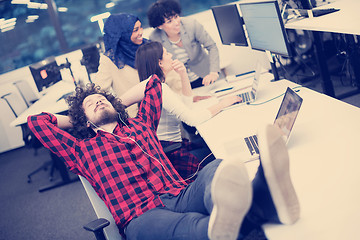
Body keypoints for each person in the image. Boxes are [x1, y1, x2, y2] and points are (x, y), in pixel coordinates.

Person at [28, 77, 300, 240]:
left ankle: (260, 195)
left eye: (102, 100)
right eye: (91, 104)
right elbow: (36, 123)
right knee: (190, 226)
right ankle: (257, 206)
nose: (98, 102)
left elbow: (153, 84)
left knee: (216, 168)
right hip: (141, 216)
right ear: (84, 121)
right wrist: (77, 118)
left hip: (179, 195)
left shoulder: (141, 124)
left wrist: (112, 102)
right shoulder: (80, 150)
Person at [121, 41, 239, 180]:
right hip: (174, 156)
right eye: (166, 53)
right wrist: (222, 104)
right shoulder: (161, 89)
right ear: (160, 63)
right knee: (222, 157)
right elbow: (192, 119)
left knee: (213, 147)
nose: (171, 55)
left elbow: (186, 105)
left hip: (172, 150)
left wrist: (183, 74)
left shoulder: (158, 87)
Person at [147, 0, 220, 88]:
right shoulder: (155, 38)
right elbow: (159, 65)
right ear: (159, 26)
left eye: (176, 16)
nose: (176, 22)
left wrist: (213, 72)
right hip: (180, 83)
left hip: (205, 75)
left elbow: (211, 46)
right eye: (169, 21)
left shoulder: (191, 25)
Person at [93, 13, 149, 117]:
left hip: (165, 109)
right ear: (122, 34)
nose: (141, 32)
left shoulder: (149, 46)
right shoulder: (110, 59)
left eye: (141, 27)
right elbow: (98, 91)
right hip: (138, 119)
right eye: (135, 30)